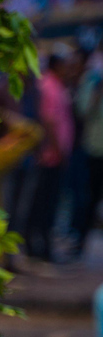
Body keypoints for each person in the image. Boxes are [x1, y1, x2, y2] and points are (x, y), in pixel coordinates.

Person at [24, 53, 75, 262]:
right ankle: (37, 247)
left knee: (48, 203)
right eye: (65, 65)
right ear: (57, 65)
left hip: (54, 155)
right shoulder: (49, 86)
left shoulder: (55, 85)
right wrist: (58, 150)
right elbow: (49, 121)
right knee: (43, 203)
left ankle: (41, 246)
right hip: (50, 157)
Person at [74, 47, 103, 255]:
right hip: (94, 148)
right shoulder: (92, 80)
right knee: (87, 198)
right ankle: (79, 241)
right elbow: (82, 111)